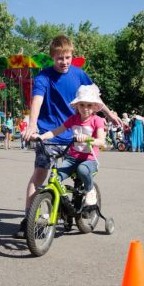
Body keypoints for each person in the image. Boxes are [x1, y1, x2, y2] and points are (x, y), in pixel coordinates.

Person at [14, 34, 121, 239]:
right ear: (52, 57)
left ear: (72, 56)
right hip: (51, 134)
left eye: (68, 57)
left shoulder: (79, 74)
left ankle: (79, 205)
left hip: (77, 134)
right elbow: (37, 101)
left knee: (79, 172)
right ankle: (28, 219)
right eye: (59, 58)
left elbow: (94, 98)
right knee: (40, 175)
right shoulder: (44, 77)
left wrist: (110, 114)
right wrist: (32, 124)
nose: (64, 62)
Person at [31, 84, 105, 205]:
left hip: (89, 159)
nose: (85, 108)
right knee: (55, 178)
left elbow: (101, 141)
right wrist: (41, 136)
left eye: (89, 105)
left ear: (95, 106)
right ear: (76, 105)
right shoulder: (73, 119)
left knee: (82, 169)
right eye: (82, 104)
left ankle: (90, 189)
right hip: (72, 158)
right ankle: (55, 211)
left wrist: (88, 139)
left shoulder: (97, 120)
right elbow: (56, 131)